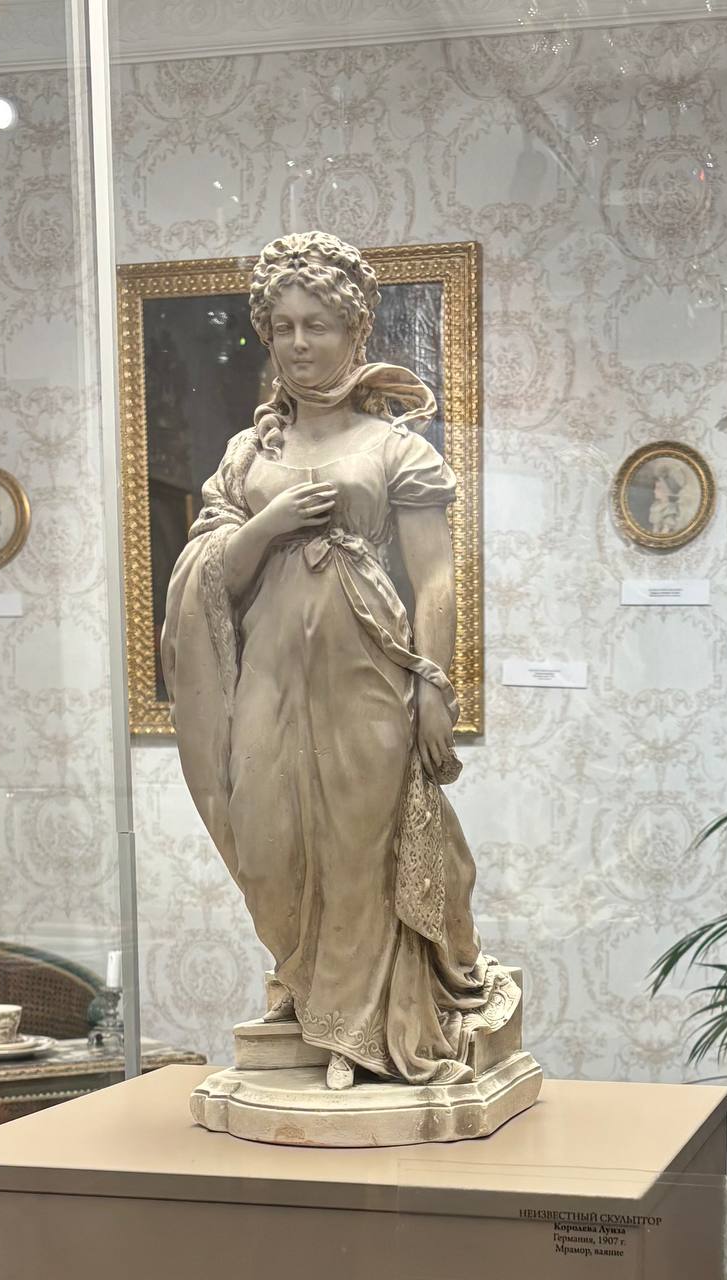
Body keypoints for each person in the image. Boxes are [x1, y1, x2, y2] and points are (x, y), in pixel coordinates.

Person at [163, 232, 516, 1091]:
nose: (298, 343)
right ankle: (305, 981)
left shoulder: (396, 447)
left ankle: (357, 1029)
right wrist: (267, 525)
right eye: (281, 326)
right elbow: (211, 575)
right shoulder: (248, 456)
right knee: (266, 836)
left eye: (316, 325)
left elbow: (436, 578)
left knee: (361, 844)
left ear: (355, 331)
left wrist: (434, 687)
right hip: (269, 678)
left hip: (366, 670)